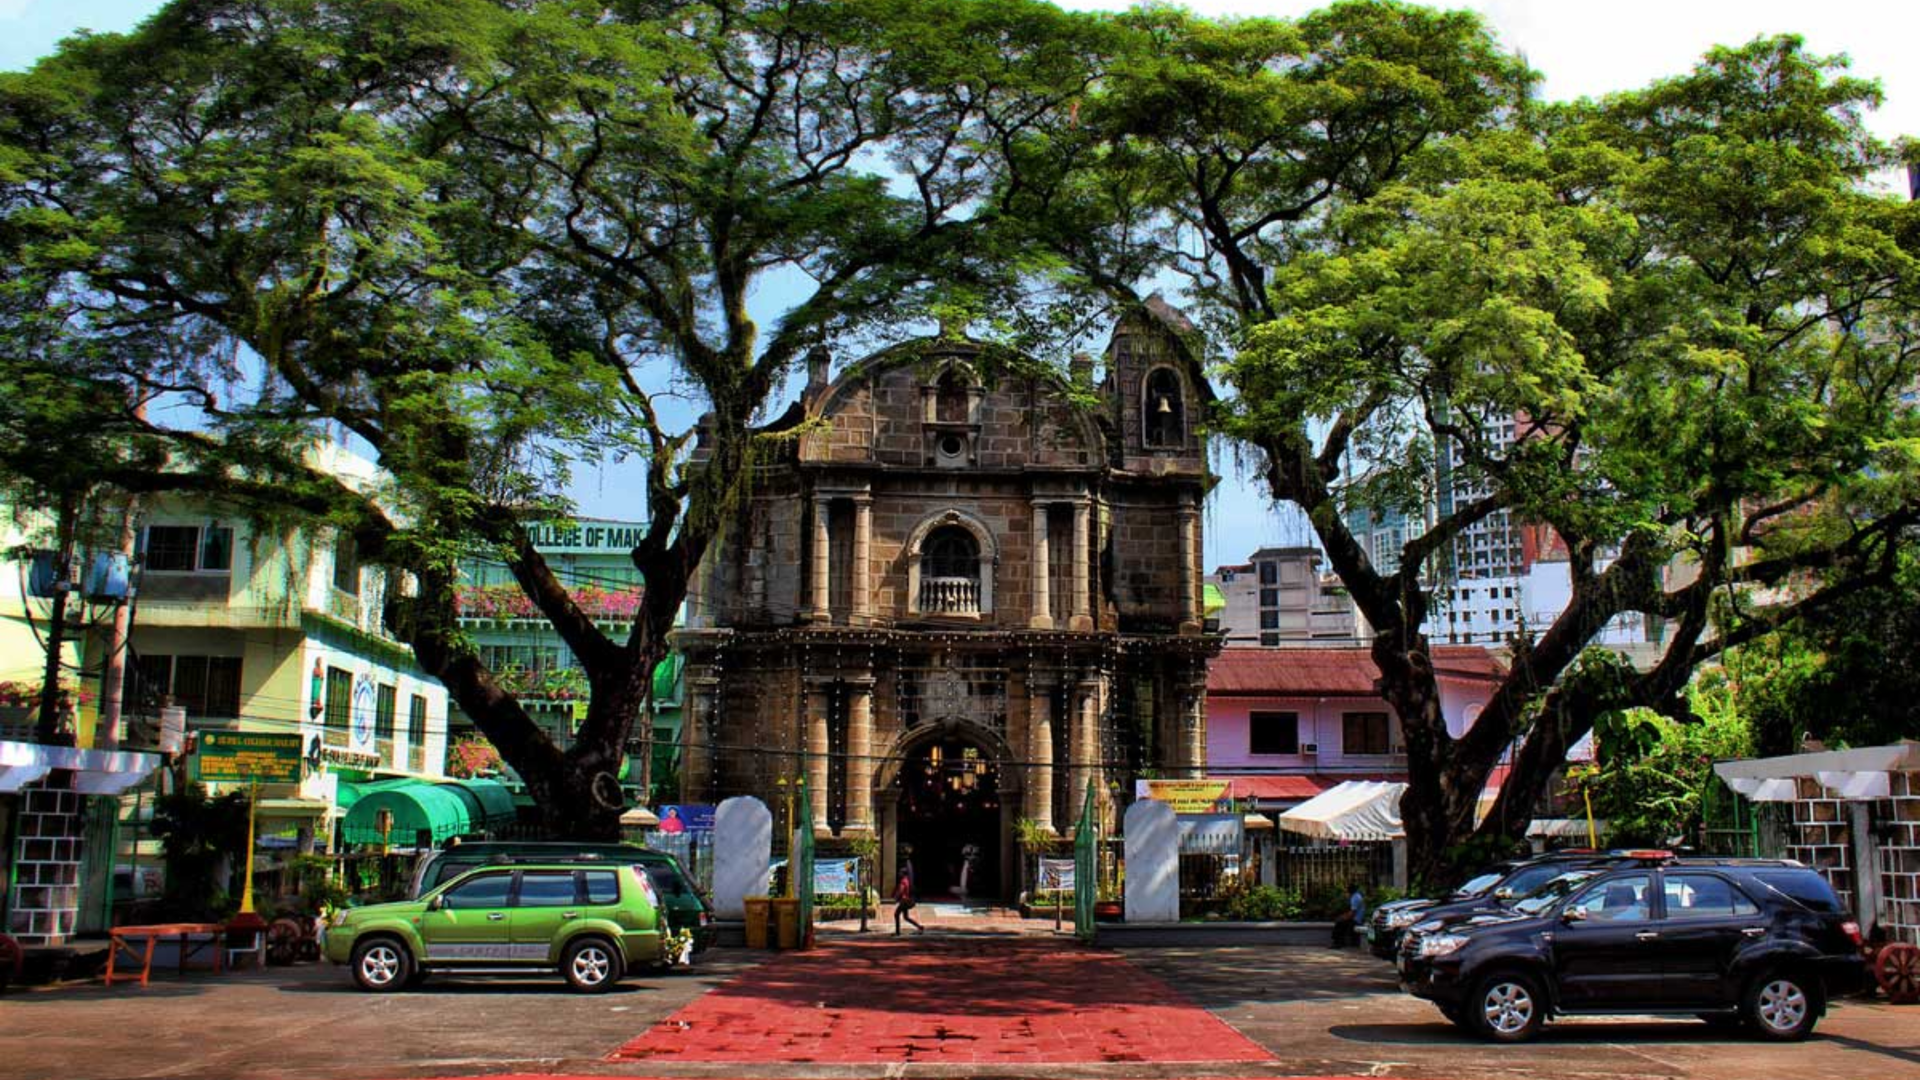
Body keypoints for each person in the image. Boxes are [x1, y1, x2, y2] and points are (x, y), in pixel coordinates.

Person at [894, 848, 924, 935]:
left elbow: (901, 890)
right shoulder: (907, 880)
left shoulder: (903, 881)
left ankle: (897, 932)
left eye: (900, 872)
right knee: (906, 917)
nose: (898, 873)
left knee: (896, 914)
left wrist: (896, 898)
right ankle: (919, 926)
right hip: (907, 900)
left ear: (903, 873)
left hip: (904, 901)